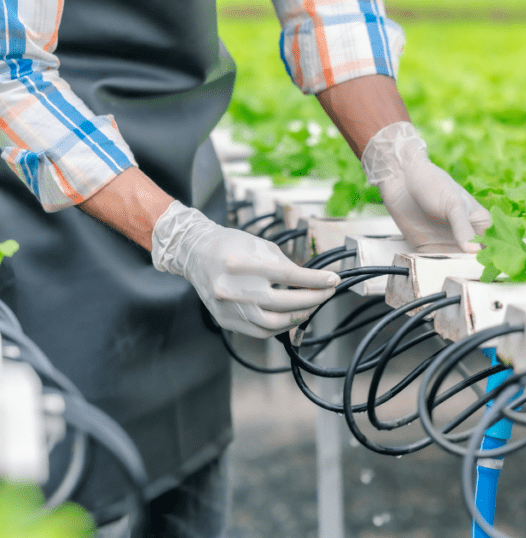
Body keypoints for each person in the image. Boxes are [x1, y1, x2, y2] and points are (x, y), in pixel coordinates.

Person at [0, 0, 490, 536]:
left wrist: (395, 156)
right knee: (71, 484)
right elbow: (9, 74)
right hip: (39, 223)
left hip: (178, 176)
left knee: (182, 463)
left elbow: (333, 13)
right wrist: (176, 234)